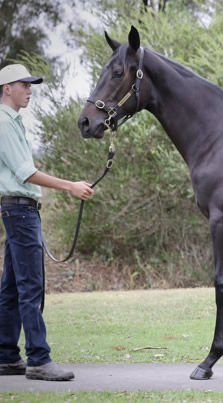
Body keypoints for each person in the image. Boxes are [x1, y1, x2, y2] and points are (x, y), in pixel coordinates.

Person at [0, 64, 94, 381]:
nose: (29, 90)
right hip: (21, 211)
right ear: (5, 89)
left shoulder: (11, 122)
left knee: (12, 287)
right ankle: (39, 359)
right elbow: (25, 173)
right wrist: (71, 186)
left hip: (17, 211)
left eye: (31, 85)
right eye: (23, 84)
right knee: (31, 288)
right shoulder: (4, 122)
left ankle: (7, 356)